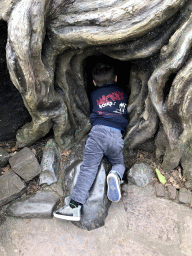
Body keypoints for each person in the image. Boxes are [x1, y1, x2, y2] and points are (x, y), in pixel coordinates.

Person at [53, 62, 128, 221]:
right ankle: (115, 174)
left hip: (98, 132)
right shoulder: (123, 93)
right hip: (116, 135)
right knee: (119, 163)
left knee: (89, 168)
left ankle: (74, 207)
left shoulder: (94, 95)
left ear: (93, 83)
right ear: (116, 78)